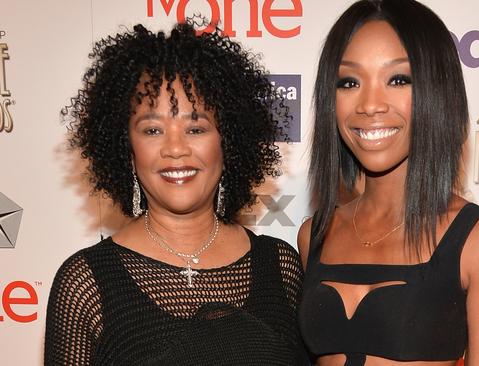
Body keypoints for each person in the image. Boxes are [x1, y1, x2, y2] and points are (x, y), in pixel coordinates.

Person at [45, 22, 307, 365]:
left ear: (227, 141)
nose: (175, 148)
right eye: (152, 130)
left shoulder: (281, 267)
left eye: (195, 128)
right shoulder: (86, 285)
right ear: (127, 147)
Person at [298, 1, 479, 365]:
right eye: (349, 81)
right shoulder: (315, 234)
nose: (370, 105)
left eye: (398, 79)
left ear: (437, 90)